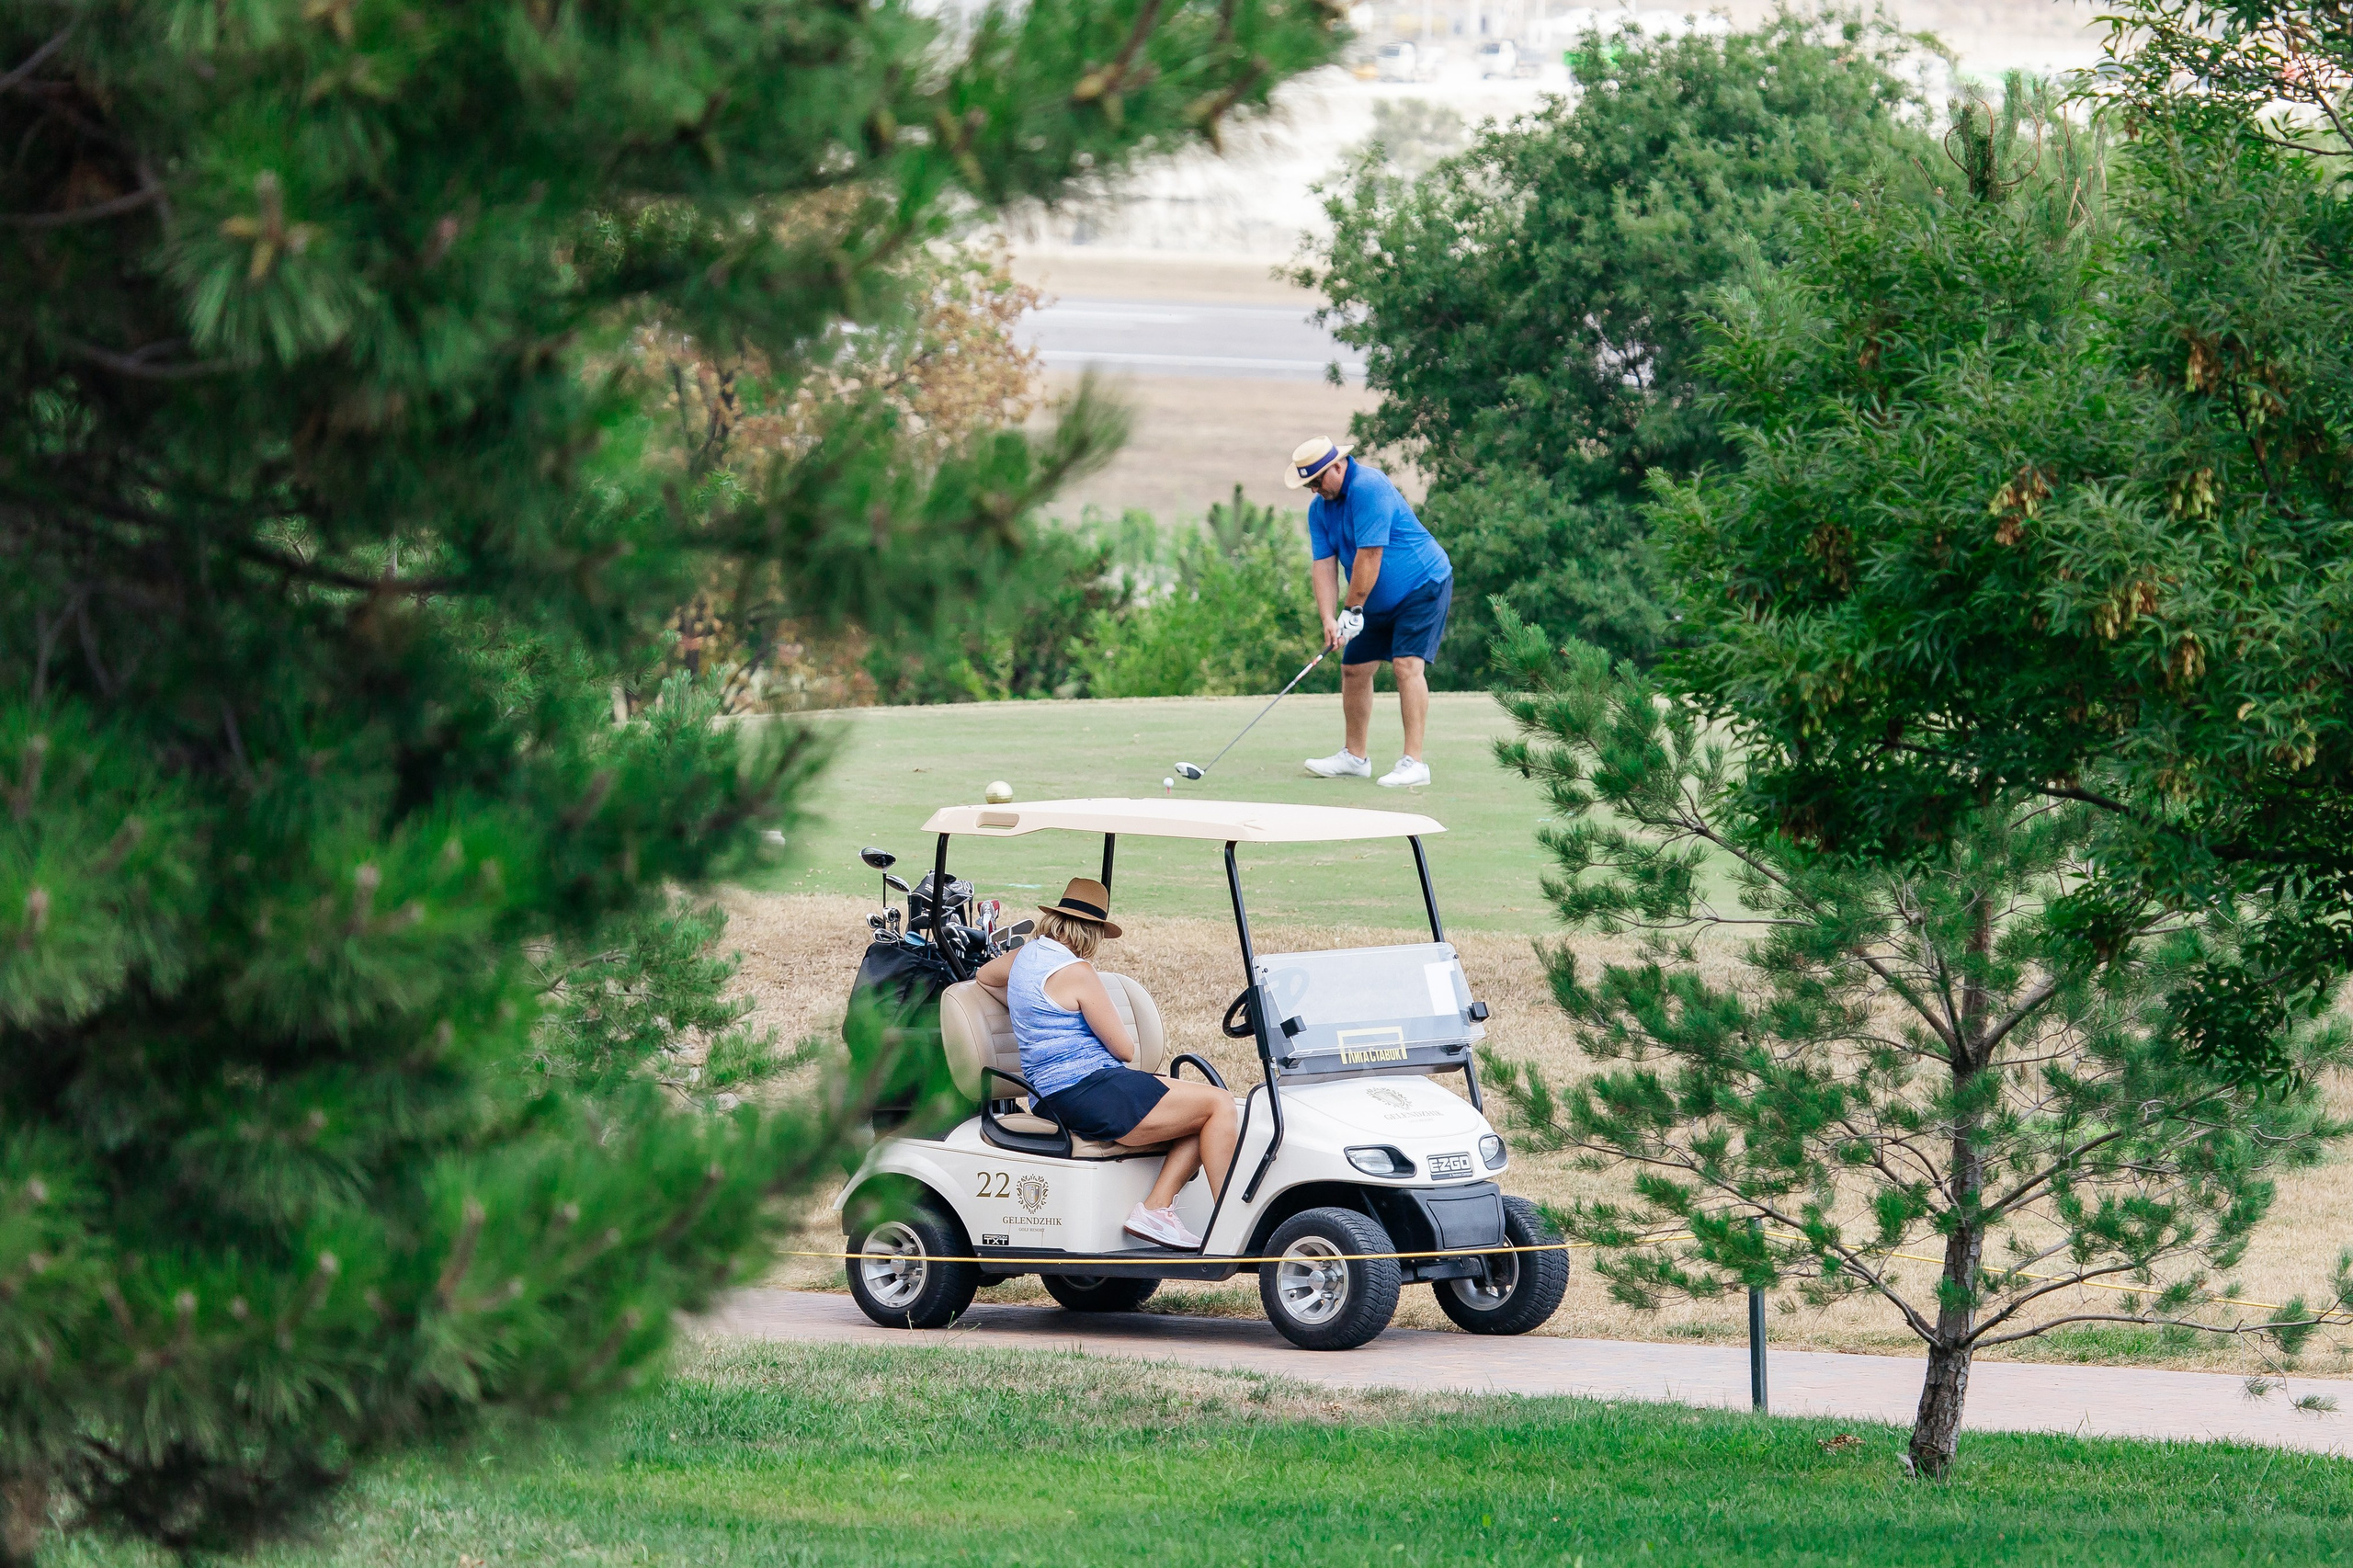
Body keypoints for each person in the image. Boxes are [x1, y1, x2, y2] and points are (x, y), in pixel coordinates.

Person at [973, 877, 1237, 1250]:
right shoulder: (1078, 972)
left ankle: (1156, 1210)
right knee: (1219, 1103)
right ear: (1092, 933)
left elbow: (984, 976)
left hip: (1050, 1097)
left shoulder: (1025, 957)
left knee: (1199, 1110)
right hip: (1089, 1091)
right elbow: (1124, 1050)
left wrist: (1028, 1009)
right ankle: (1234, 1225)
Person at [1285, 436, 1453, 788]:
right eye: (1308, 485)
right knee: (1353, 669)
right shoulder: (1320, 510)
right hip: (1370, 599)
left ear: (1337, 465)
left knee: (1407, 666)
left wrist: (1352, 609)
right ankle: (1355, 757)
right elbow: (1323, 565)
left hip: (1422, 584)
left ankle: (1414, 763)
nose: (1315, 489)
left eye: (1318, 480)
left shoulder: (1368, 487)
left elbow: (1370, 556)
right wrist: (1330, 619)